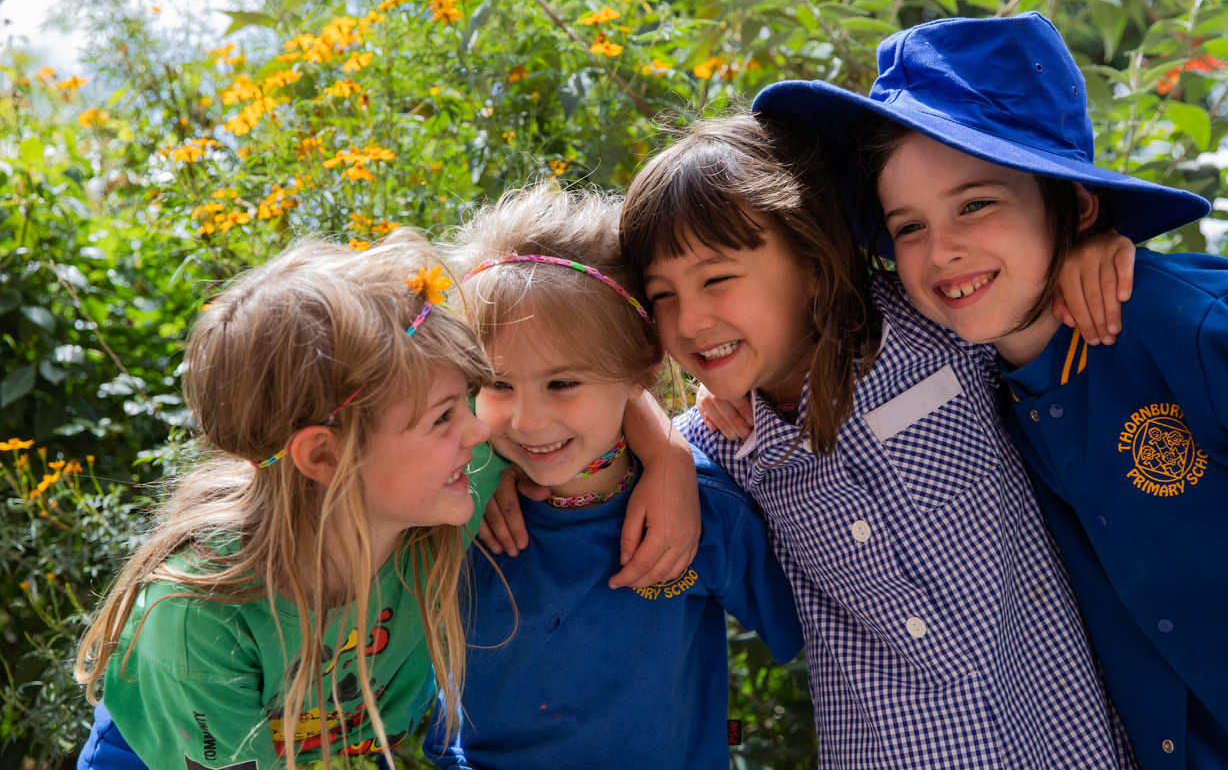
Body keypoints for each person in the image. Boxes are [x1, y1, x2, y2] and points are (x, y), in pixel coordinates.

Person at [764, 12, 1228, 768]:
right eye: (907, 225)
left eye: (975, 203)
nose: (942, 249)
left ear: (1075, 203)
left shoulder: (1178, 325)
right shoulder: (962, 379)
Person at [618, 109, 1147, 768]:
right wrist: (664, 451)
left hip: (1067, 741)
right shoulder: (722, 447)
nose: (690, 320)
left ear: (812, 259)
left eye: (717, 278)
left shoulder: (943, 329)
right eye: (661, 295)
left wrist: (1087, 247)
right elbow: (574, 431)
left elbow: (1028, 292)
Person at [75, 230, 510, 770]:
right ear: (324, 457)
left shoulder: (434, 494)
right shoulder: (199, 620)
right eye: (444, 415)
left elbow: (578, 314)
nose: (481, 431)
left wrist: (651, 453)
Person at [422, 186, 805, 768]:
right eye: (497, 384)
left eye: (563, 384)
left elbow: (822, 633)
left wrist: (676, 456)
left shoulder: (706, 511)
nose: (526, 420)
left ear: (640, 370)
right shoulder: (456, 504)